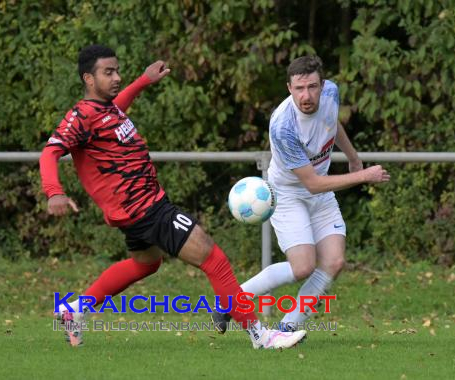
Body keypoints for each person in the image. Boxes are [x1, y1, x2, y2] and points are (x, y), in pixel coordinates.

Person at [39, 44, 306, 349]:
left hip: (142, 206)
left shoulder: (106, 109)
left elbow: (117, 110)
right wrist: (54, 192)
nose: (116, 77)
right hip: (144, 209)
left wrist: (141, 81)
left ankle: (75, 310)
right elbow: (50, 152)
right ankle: (262, 336)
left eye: (117, 70)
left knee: (146, 263)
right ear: (88, 78)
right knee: (214, 258)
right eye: (108, 72)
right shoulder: (82, 115)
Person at [212, 55, 390, 334]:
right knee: (303, 266)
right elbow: (312, 184)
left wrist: (354, 158)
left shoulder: (331, 92)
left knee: (334, 261)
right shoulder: (283, 127)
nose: (306, 95)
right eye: (299, 88)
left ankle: (288, 327)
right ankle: (230, 300)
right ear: (289, 88)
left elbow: (332, 122)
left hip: (319, 189)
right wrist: (364, 176)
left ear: (322, 84)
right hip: (290, 193)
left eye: (312, 87)